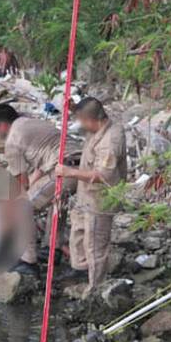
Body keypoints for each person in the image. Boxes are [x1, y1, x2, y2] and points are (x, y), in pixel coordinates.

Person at [54, 97, 127, 293]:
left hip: (101, 198)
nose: (81, 125)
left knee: (95, 243)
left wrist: (68, 172)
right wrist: (73, 110)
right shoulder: (97, 127)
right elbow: (86, 116)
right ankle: (80, 271)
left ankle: (95, 287)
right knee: (78, 233)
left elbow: (102, 175)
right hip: (85, 195)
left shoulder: (111, 140)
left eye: (81, 120)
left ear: (91, 120)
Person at [0, 104, 71, 275]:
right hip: (81, 165)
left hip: (64, 171)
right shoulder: (34, 123)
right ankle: (52, 250)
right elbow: (40, 168)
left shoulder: (12, 140)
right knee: (58, 203)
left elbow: (21, 184)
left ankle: (28, 260)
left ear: (2, 125)